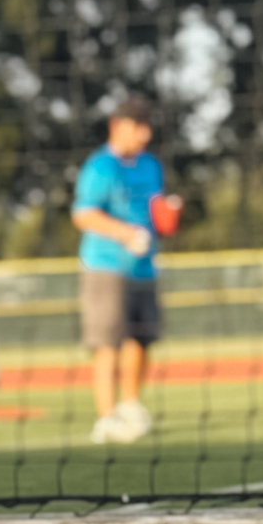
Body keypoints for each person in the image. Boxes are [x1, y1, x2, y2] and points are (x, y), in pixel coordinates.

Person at [72, 93, 171, 445]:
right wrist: (125, 233)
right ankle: (106, 417)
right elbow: (83, 214)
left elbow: (157, 209)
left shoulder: (151, 165)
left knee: (141, 340)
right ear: (118, 126)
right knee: (107, 343)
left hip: (144, 268)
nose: (144, 135)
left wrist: (168, 219)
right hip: (105, 267)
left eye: (147, 128)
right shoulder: (100, 166)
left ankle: (130, 405)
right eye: (137, 127)